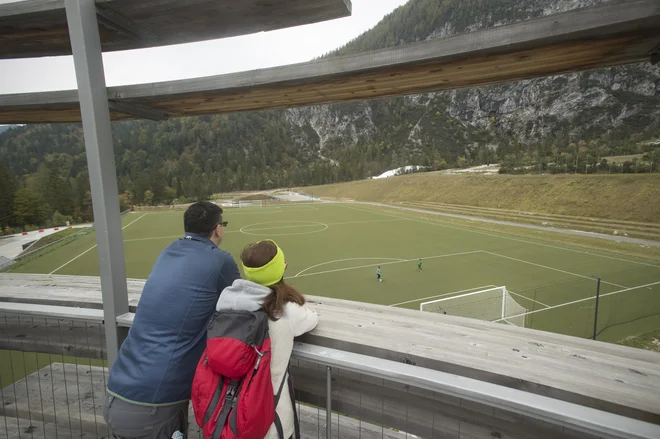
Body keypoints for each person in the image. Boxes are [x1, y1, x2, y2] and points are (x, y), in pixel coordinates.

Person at [104, 201, 240, 439]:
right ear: (218, 229)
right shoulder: (219, 260)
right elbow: (240, 303)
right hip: (154, 407)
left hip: (117, 393)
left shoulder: (168, 251)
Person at [215, 240, 317, 439]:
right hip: (270, 416)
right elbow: (311, 318)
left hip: (228, 408)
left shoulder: (226, 303)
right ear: (280, 269)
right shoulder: (286, 311)